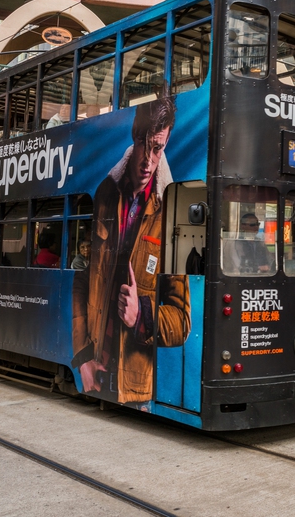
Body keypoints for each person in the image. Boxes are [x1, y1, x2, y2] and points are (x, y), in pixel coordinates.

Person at [71, 93, 190, 407]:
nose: (147, 161)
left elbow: (182, 322)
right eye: (142, 144)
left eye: (157, 148)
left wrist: (142, 315)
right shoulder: (105, 193)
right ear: (133, 138)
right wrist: (83, 356)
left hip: (133, 387)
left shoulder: (171, 213)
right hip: (95, 367)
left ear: (165, 145)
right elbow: (82, 277)